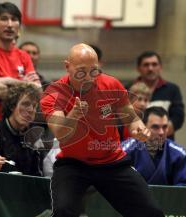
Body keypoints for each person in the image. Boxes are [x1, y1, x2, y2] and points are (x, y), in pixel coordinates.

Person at [40, 43, 164, 217]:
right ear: (67, 66)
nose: (89, 77)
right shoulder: (53, 93)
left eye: (94, 70)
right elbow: (61, 133)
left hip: (111, 161)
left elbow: (132, 119)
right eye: (82, 70)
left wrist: (140, 130)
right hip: (74, 164)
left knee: (151, 212)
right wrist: (74, 114)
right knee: (63, 211)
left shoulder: (111, 84)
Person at [122, 106, 186, 186]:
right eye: (155, 127)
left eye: (165, 127)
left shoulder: (180, 155)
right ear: (143, 127)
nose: (161, 132)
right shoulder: (125, 151)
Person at [0, 83, 43, 176]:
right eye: (25, 104)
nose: (31, 110)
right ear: (12, 106)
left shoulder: (34, 136)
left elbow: (37, 175)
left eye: (34, 106)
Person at [133, 51, 185, 140]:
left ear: (160, 67)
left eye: (154, 64)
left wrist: (156, 135)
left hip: (164, 145)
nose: (150, 68)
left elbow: (178, 118)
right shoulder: (127, 89)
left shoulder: (172, 89)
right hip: (135, 144)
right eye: (146, 65)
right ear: (138, 68)